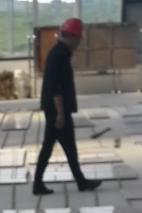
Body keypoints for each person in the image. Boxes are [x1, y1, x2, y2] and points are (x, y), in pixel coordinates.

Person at [33, 19, 102, 196]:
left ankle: (42, 183)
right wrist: (61, 113)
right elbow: (56, 87)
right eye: (77, 39)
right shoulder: (60, 56)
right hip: (57, 110)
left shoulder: (58, 53)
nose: (79, 43)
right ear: (70, 36)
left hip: (54, 108)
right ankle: (79, 182)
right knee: (63, 147)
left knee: (56, 146)